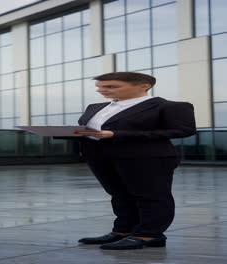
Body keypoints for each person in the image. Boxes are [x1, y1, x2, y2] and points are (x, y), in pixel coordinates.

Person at [58, 72, 196, 250]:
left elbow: (183, 131)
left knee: (152, 197)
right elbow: (94, 131)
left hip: (147, 157)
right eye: (99, 87)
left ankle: (149, 234)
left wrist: (117, 135)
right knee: (119, 195)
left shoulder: (170, 106)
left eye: (110, 86)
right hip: (100, 157)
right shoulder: (95, 107)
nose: (102, 90)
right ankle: (123, 231)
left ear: (144, 85)